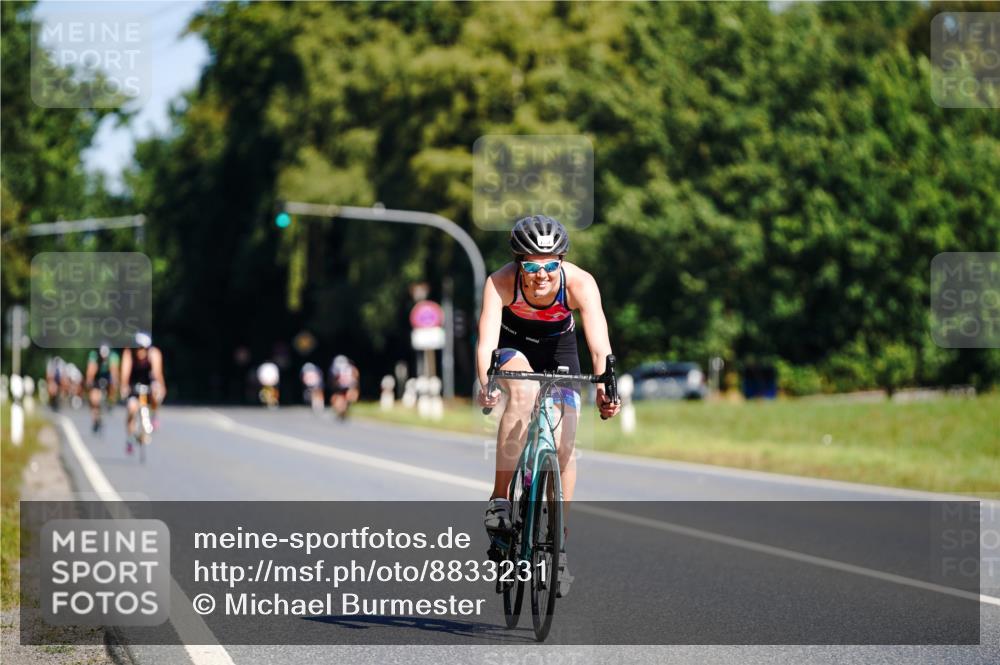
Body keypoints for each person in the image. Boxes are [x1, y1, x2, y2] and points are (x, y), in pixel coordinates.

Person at [475, 214, 621, 598]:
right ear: (518, 263)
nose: (541, 274)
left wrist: (608, 387)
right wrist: (486, 383)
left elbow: (599, 342)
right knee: (521, 396)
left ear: (561, 261)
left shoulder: (580, 283)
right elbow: (486, 339)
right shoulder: (500, 281)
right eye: (532, 266)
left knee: (565, 440)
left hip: (559, 347)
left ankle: (558, 543)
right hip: (513, 347)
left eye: (550, 265)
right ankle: (501, 499)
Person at [120, 332, 167, 454]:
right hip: (134, 385)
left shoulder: (154, 354)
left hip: (148, 383)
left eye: (143, 348)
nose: (141, 352)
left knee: (157, 391)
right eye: (138, 348)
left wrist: (161, 387)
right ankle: (130, 438)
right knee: (131, 408)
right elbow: (125, 373)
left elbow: (157, 373)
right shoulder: (129, 353)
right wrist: (124, 386)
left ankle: (154, 414)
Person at [85, 343, 119, 432]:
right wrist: (89, 381)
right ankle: (95, 419)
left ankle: (111, 400)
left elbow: (114, 371)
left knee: (113, 384)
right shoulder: (94, 355)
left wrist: (114, 384)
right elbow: (90, 371)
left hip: (108, 376)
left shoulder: (113, 356)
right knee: (94, 399)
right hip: (97, 377)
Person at [329, 355, 360, 420]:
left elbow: (334, 378)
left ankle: (342, 410)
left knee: (339, 398)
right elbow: (356, 376)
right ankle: (342, 410)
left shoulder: (335, 368)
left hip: (342, 386)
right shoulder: (351, 368)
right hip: (349, 385)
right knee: (343, 398)